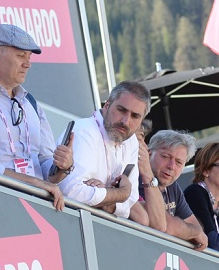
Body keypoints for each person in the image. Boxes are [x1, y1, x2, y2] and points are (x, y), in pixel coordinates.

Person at [0, 24, 72, 210]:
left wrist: (63, 167)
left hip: (37, 208)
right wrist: (32, 182)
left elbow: (47, 168)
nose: (28, 64)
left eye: (29, 57)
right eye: (21, 56)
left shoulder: (33, 105)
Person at [58, 82, 150, 223]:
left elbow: (129, 203)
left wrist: (106, 200)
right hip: (69, 222)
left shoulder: (131, 141)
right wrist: (120, 193)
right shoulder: (84, 131)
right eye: (121, 110)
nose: (125, 121)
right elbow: (72, 193)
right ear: (107, 105)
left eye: (135, 116)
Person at [140, 130, 207, 250]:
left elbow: (197, 228)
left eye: (179, 162)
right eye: (165, 157)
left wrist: (195, 231)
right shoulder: (137, 179)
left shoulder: (172, 186)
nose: (171, 166)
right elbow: (166, 226)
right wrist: (194, 233)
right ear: (149, 154)